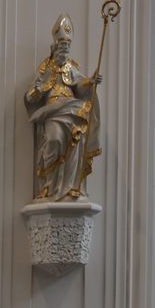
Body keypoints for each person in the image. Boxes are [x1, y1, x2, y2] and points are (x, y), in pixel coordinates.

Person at [23, 14, 102, 202]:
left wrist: (91, 81)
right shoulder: (45, 67)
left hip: (72, 109)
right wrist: (43, 83)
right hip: (53, 111)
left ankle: (72, 186)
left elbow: (80, 85)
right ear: (55, 46)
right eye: (62, 46)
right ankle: (50, 187)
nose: (64, 50)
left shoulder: (71, 67)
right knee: (54, 140)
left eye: (67, 46)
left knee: (78, 138)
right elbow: (31, 95)